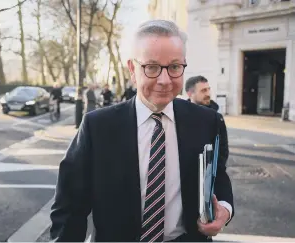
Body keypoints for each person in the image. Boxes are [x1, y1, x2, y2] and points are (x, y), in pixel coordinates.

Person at [50, 20, 234, 242]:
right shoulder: (97, 127)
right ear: (132, 70)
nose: (165, 80)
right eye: (152, 67)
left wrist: (224, 208)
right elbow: (70, 208)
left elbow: (218, 175)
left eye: (175, 67)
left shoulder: (207, 121)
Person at [185, 75, 229, 164]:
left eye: (208, 89)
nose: (208, 94)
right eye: (203, 91)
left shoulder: (217, 118)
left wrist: (216, 172)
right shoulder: (181, 114)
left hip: (209, 172)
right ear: (190, 94)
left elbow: (222, 150)